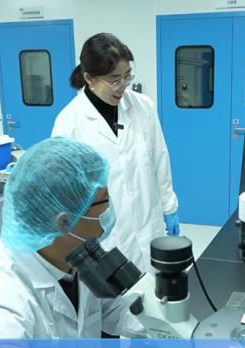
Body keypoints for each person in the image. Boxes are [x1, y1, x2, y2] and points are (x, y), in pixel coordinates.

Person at [0, 138, 143, 338]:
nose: (110, 207)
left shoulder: (75, 253)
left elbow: (117, 308)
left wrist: (161, 320)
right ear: (65, 222)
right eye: (104, 199)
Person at [52, 33, 179, 273]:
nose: (122, 86)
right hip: (107, 238)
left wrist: (169, 206)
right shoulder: (69, 123)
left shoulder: (143, 107)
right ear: (89, 78)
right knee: (118, 293)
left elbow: (159, 158)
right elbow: (65, 192)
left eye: (127, 76)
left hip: (149, 224)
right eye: (114, 80)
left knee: (156, 290)